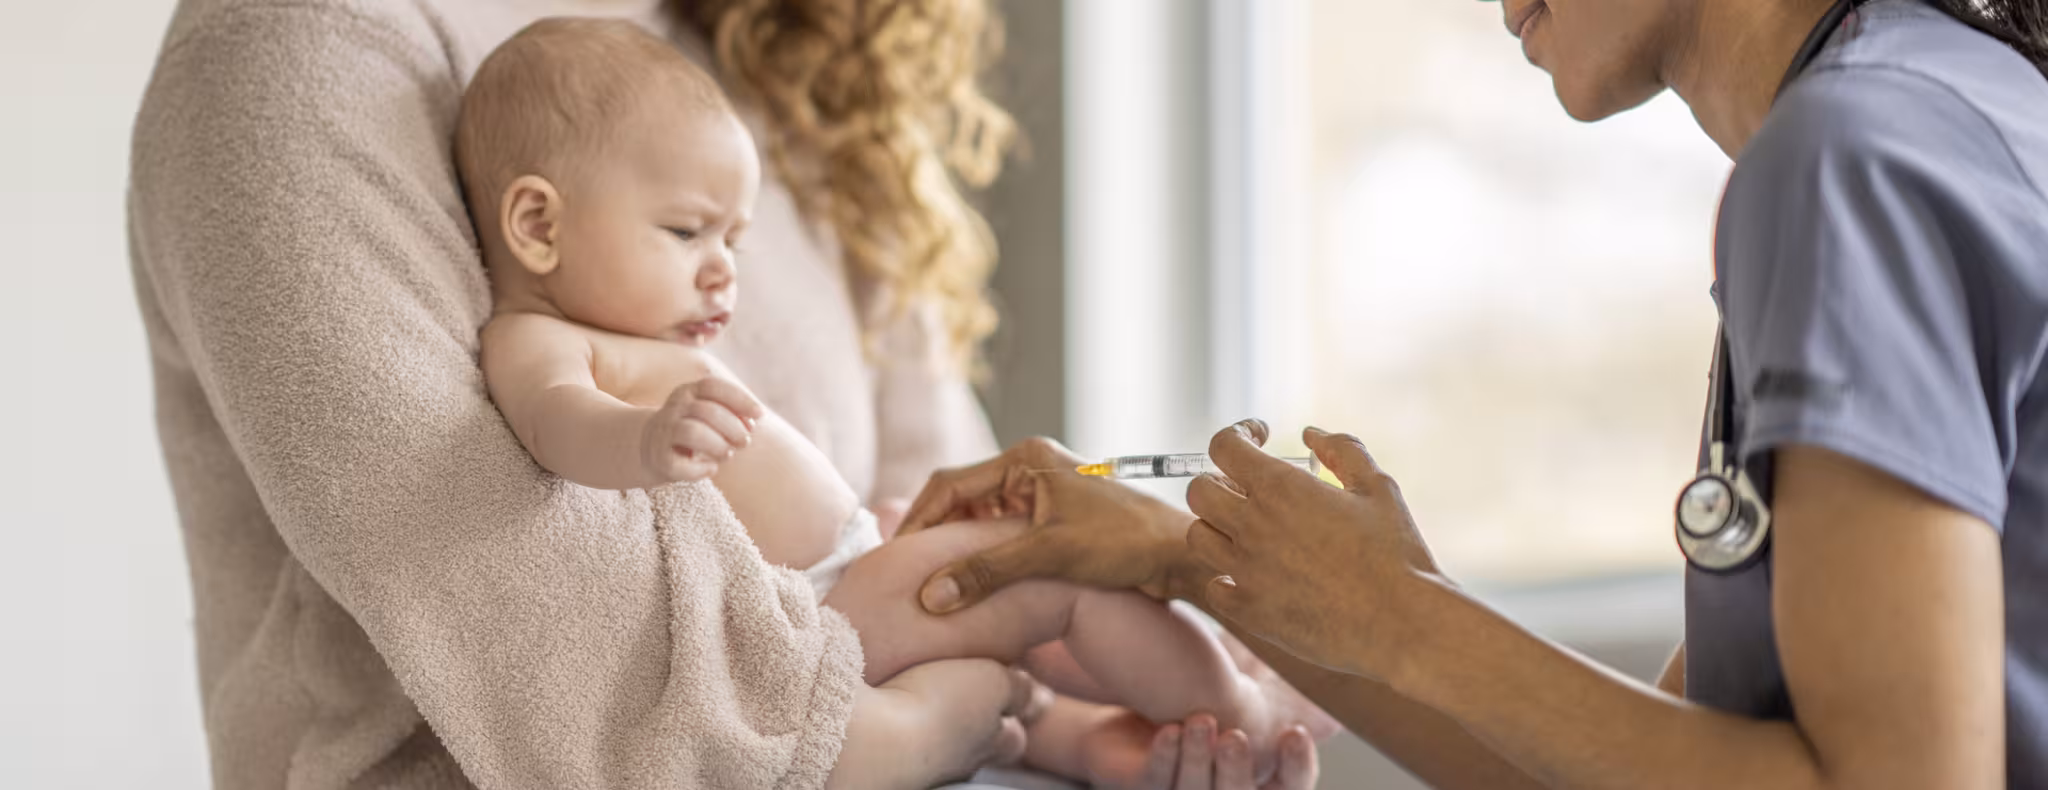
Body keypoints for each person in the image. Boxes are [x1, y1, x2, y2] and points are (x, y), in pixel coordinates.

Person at [903, 0, 2048, 786]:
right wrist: (1179, 556)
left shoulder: (1846, 159)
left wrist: (1404, 615)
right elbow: (1605, 764)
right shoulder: (1926, 105)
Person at [457, 18, 1331, 784]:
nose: (724, 268)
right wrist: (644, 440)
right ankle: (1246, 712)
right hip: (814, 612)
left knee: (1021, 630)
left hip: (846, 568)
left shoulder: (645, 339)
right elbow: (555, 420)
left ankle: (1101, 744)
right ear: (538, 225)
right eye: (686, 231)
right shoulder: (536, 339)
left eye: (734, 238)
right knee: (1048, 576)